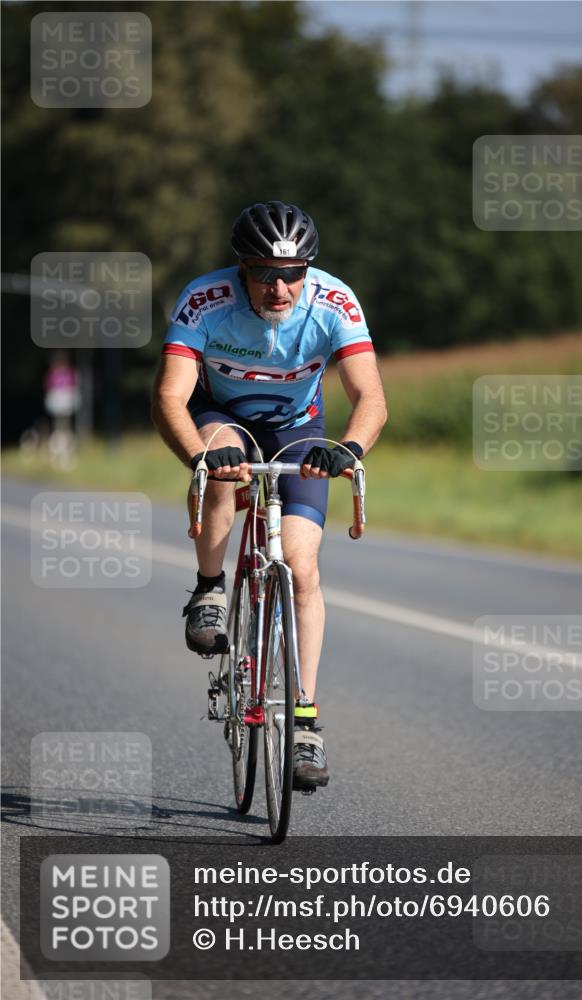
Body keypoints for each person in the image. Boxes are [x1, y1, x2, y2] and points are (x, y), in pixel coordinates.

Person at [152, 201, 387, 789]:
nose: (280, 287)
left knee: (302, 570)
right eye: (264, 273)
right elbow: (170, 398)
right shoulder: (205, 301)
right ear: (242, 270)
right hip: (221, 416)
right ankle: (209, 588)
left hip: (298, 427)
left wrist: (350, 449)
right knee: (226, 468)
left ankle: (304, 723)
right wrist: (200, 459)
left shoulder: (334, 302)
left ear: (309, 269)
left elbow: (371, 399)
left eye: (293, 273)